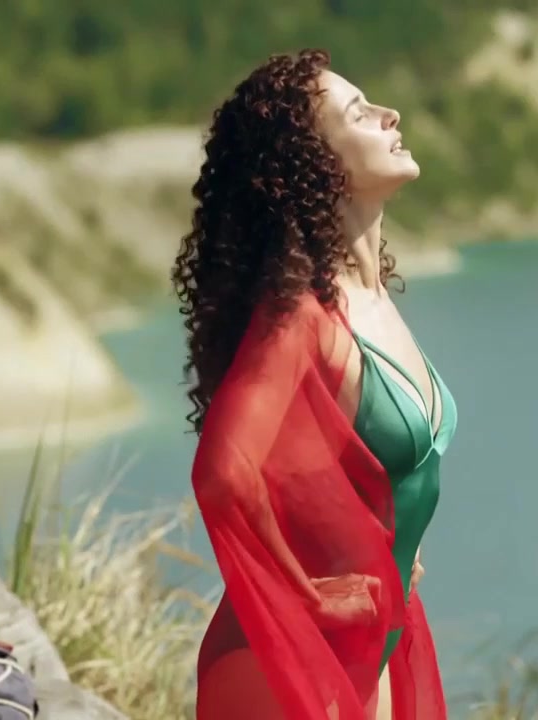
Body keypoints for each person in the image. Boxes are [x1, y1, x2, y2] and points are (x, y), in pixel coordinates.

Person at [171, 48, 457, 720]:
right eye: (359, 113)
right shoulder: (301, 315)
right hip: (282, 661)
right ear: (315, 163)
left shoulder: (372, 300)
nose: (390, 114)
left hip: (369, 645)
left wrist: (393, 547)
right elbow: (222, 475)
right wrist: (311, 595)